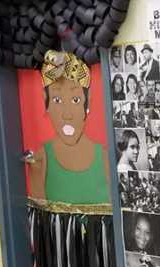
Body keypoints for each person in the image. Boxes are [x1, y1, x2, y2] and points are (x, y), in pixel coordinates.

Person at [28, 51, 110, 206]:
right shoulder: (42, 158)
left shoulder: (105, 157)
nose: (67, 114)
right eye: (57, 100)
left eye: (76, 99)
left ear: (88, 102)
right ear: (46, 102)